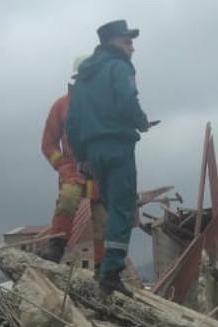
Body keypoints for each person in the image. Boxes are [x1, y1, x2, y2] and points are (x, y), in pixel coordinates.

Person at [67, 19, 151, 296]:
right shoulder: (120, 66)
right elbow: (127, 101)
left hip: (93, 153)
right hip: (118, 146)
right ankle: (111, 275)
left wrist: (82, 157)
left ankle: (105, 270)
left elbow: (73, 122)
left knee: (107, 208)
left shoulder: (83, 78)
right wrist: (140, 121)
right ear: (113, 42)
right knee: (122, 209)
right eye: (128, 42)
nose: (132, 48)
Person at [39, 56, 107, 268]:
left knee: (104, 220)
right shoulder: (61, 106)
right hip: (73, 170)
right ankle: (55, 248)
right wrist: (63, 166)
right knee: (67, 200)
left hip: (101, 172)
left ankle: (103, 268)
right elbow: (48, 144)